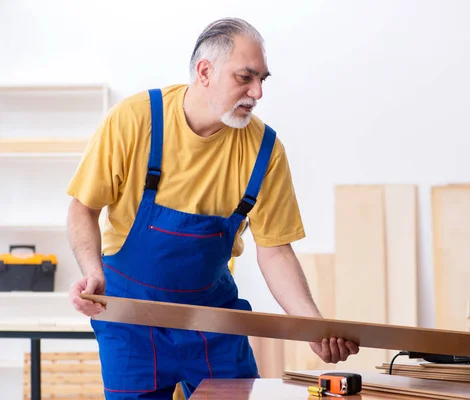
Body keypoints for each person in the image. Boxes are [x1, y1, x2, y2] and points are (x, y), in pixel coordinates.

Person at [66, 17, 359, 399]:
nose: (257, 92)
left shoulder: (264, 151)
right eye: (245, 77)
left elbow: (274, 250)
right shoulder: (136, 120)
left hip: (213, 321)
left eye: (262, 80)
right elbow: (82, 208)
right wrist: (93, 273)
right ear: (205, 72)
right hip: (130, 322)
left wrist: (312, 325)